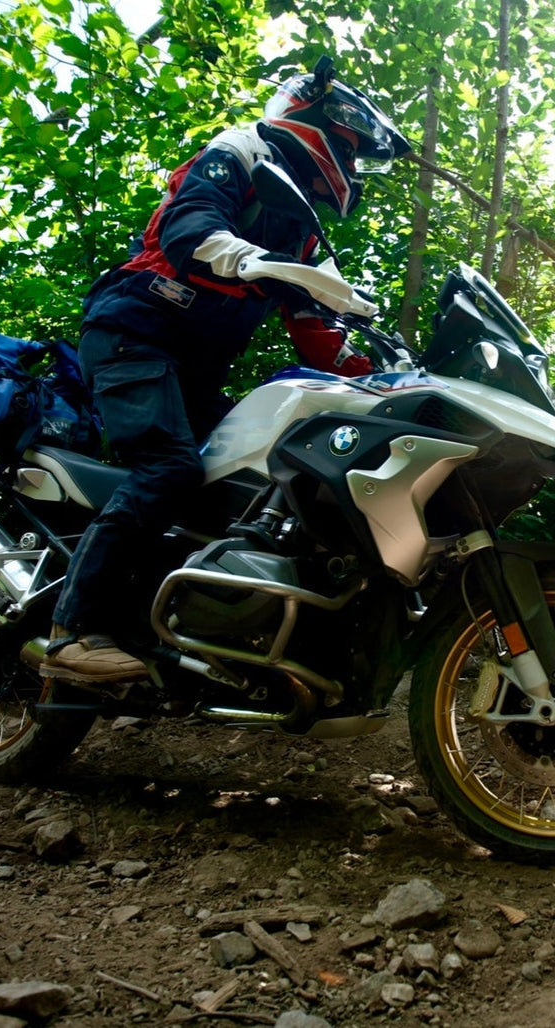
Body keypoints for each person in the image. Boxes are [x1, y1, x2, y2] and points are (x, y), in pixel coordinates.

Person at [42, 57, 412, 683]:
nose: (350, 168)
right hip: (133, 333)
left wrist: (378, 373)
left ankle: (175, 626)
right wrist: (253, 260)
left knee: (245, 475)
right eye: (349, 151)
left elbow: (317, 326)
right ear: (310, 118)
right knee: (169, 467)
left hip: (190, 370)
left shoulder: (298, 231)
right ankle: (71, 631)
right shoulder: (239, 152)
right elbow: (190, 230)